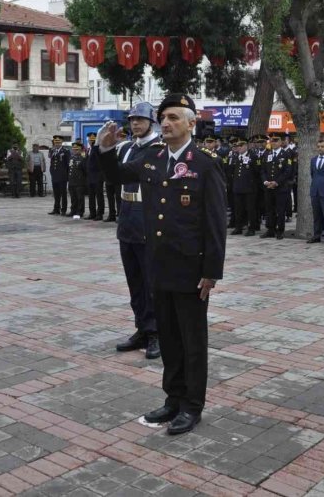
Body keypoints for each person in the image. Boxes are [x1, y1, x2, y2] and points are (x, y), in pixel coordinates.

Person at [96, 92, 227, 436]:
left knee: (192, 341)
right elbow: (117, 177)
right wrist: (106, 149)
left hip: (192, 270)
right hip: (160, 265)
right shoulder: (153, 159)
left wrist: (212, 272)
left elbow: (215, 223)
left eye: (174, 118)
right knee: (169, 338)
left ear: (191, 123)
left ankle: (192, 406)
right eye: (163, 118)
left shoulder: (205, 163)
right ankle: (173, 398)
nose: (166, 123)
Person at [110, 102, 161, 359]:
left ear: (152, 122)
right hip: (128, 220)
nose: (135, 124)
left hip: (149, 222)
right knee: (135, 283)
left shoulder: (158, 149)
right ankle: (142, 327)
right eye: (132, 120)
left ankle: (156, 333)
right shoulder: (128, 148)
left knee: (152, 283)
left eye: (140, 120)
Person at [260, 133, 294, 240]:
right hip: (268, 187)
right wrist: (265, 181)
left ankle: (280, 230)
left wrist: (276, 182)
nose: (273, 142)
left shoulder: (286, 154)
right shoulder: (267, 154)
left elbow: (287, 171)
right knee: (270, 209)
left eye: (276, 140)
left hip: (280, 187)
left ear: (281, 142)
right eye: (272, 140)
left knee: (280, 210)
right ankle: (271, 229)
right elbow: (263, 170)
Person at [229, 137, 259, 236]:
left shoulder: (253, 156)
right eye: (238, 146)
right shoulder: (235, 156)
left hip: (249, 187)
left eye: (241, 146)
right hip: (238, 187)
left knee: (250, 209)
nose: (239, 148)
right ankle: (238, 227)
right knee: (238, 209)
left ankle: (252, 228)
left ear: (246, 146)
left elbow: (257, 172)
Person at [48, 135, 70, 215]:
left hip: (62, 176)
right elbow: (52, 162)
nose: (57, 143)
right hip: (55, 176)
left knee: (63, 194)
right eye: (55, 142)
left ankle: (63, 210)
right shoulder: (53, 151)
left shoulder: (66, 151)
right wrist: (52, 172)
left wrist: (67, 176)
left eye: (58, 142)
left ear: (61, 142)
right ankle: (56, 209)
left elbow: (68, 164)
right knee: (56, 194)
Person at [86, 133, 105, 220]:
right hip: (90, 176)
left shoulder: (97, 149)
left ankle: (100, 214)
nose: (91, 142)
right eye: (90, 140)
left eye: (93, 141)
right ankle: (92, 213)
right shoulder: (88, 149)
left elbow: (100, 162)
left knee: (99, 195)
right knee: (91, 196)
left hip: (97, 176)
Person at [67, 141, 87, 218]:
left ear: (81, 150)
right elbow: (69, 169)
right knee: (73, 197)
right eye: (74, 149)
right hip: (72, 181)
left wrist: (83, 180)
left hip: (79, 181)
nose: (75, 151)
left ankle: (80, 211)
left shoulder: (83, 158)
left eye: (77, 149)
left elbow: (85, 171)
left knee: (80, 198)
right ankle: (73, 210)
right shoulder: (71, 157)